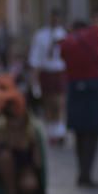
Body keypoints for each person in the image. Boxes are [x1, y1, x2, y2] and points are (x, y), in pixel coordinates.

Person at [0, 88, 48, 194]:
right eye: (9, 115)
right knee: (5, 157)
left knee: (29, 184)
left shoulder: (32, 132)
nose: (13, 120)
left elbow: (38, 163)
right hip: (4, 173)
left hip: (26, 169)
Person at [60, 21, 98, 188]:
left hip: (74, 85)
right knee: (92, 131)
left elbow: (63, 59)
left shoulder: (66, 42)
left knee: (79, 131)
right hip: (95, 84)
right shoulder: (95, 33)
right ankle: (87, 173)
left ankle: (82, 172)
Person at [28, 9, 67, 146]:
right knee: (49, 103)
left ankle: (60, 131)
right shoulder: (41, 35)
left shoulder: (64, 34)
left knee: (60, 102)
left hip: (60, 71)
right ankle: (51, 132)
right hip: (47, 71)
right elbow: (35, 58)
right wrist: (34, 78)